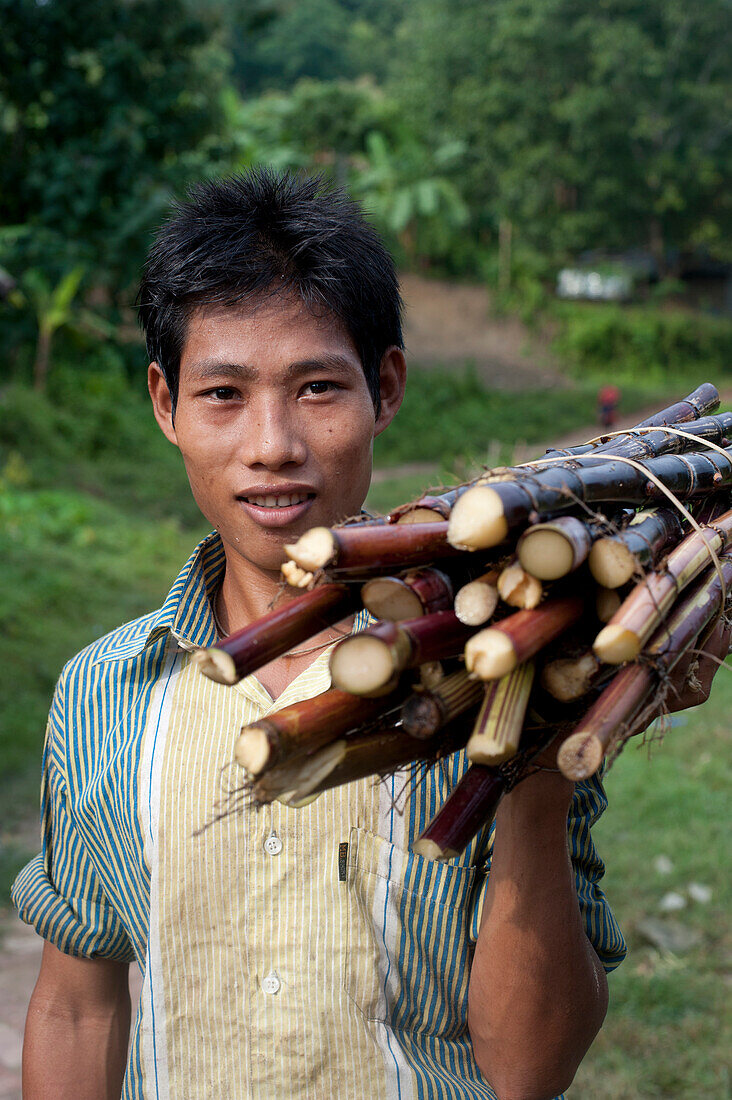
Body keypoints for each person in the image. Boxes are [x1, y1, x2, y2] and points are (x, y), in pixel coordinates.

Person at [12, 170, 725, 1100]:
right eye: (223, 393)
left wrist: (535, 774)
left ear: (384, 388)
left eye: (316, 387)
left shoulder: (497, 664)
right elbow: (78, 1006)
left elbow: (529, 1070)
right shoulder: (102, 693)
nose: (272, 444)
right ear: (165, 405)